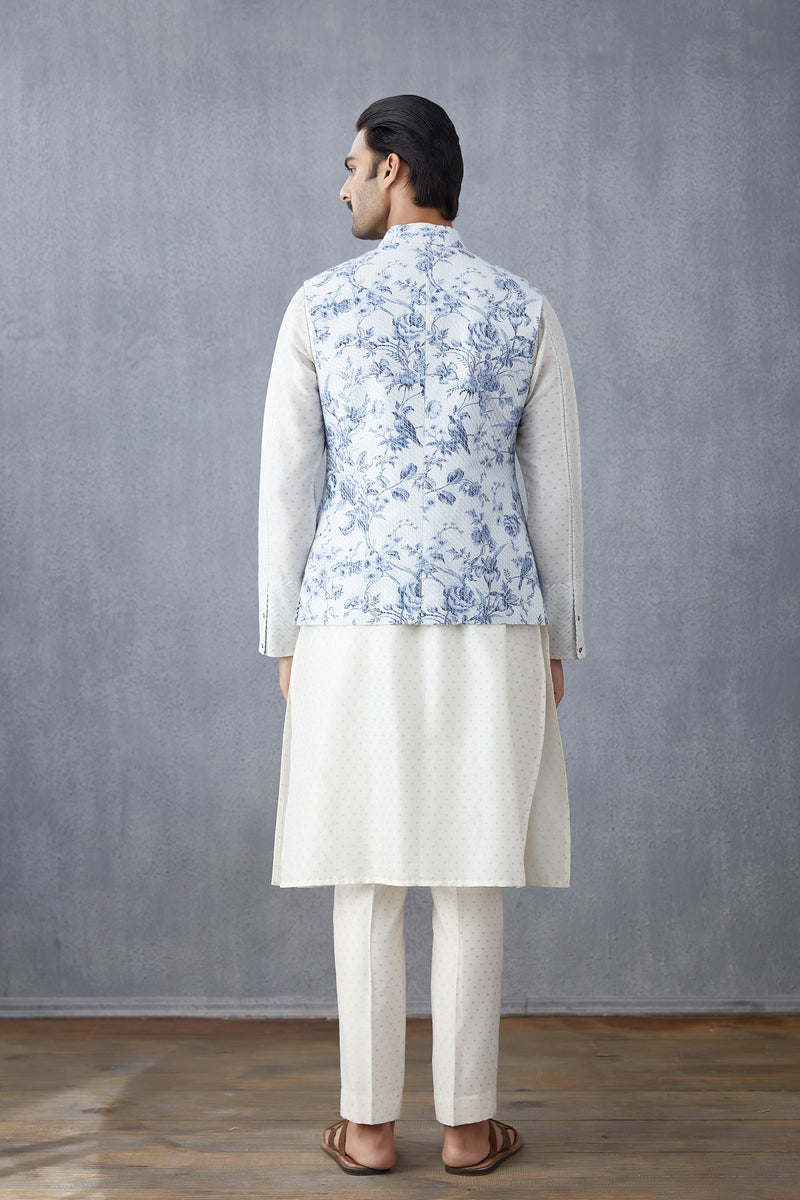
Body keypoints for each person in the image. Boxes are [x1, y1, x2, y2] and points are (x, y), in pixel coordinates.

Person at [257, 94, 585, 1176]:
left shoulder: (319, 306)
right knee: (470, 871)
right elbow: (555, 492)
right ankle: (465, 1127)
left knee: (364, 872)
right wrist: (557, 638)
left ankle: (363, 1127)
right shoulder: (523, 309)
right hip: (492, 621)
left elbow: (288, 484)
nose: (343, 186)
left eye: (353, 166)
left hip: (350, 620)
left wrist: (284, 633)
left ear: (394, 169)